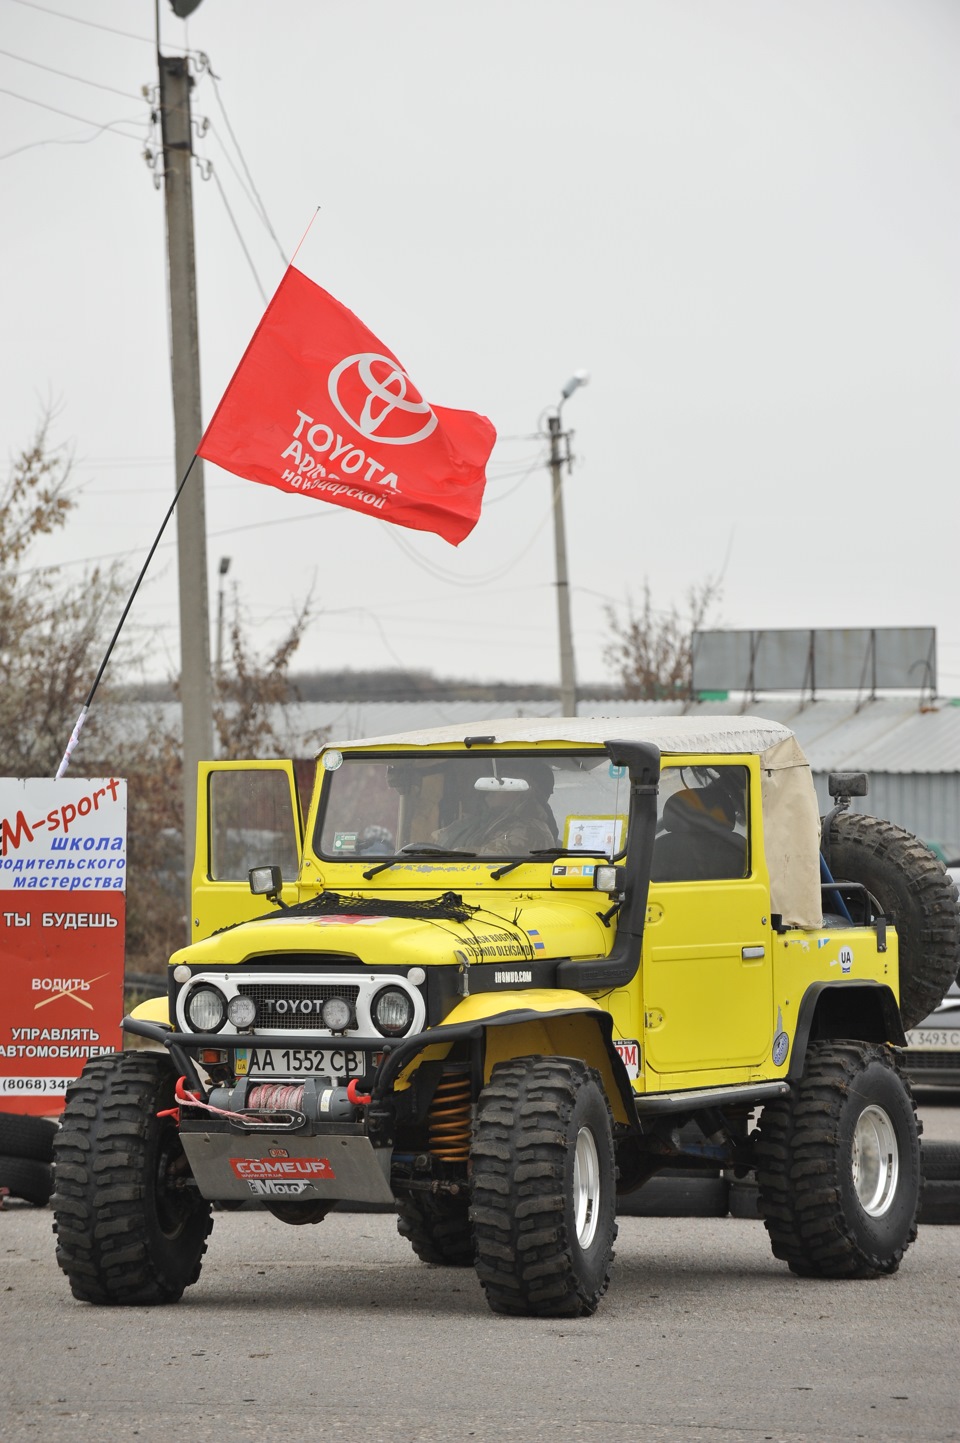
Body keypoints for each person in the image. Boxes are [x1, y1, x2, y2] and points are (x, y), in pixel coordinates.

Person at [433, 760, 558, 857]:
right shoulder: (486, 821)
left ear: (523, 793)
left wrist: (442, 853)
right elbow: (438, 837)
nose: (495, 785)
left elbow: (491, 857)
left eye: (505, 780)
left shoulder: (529, 828)